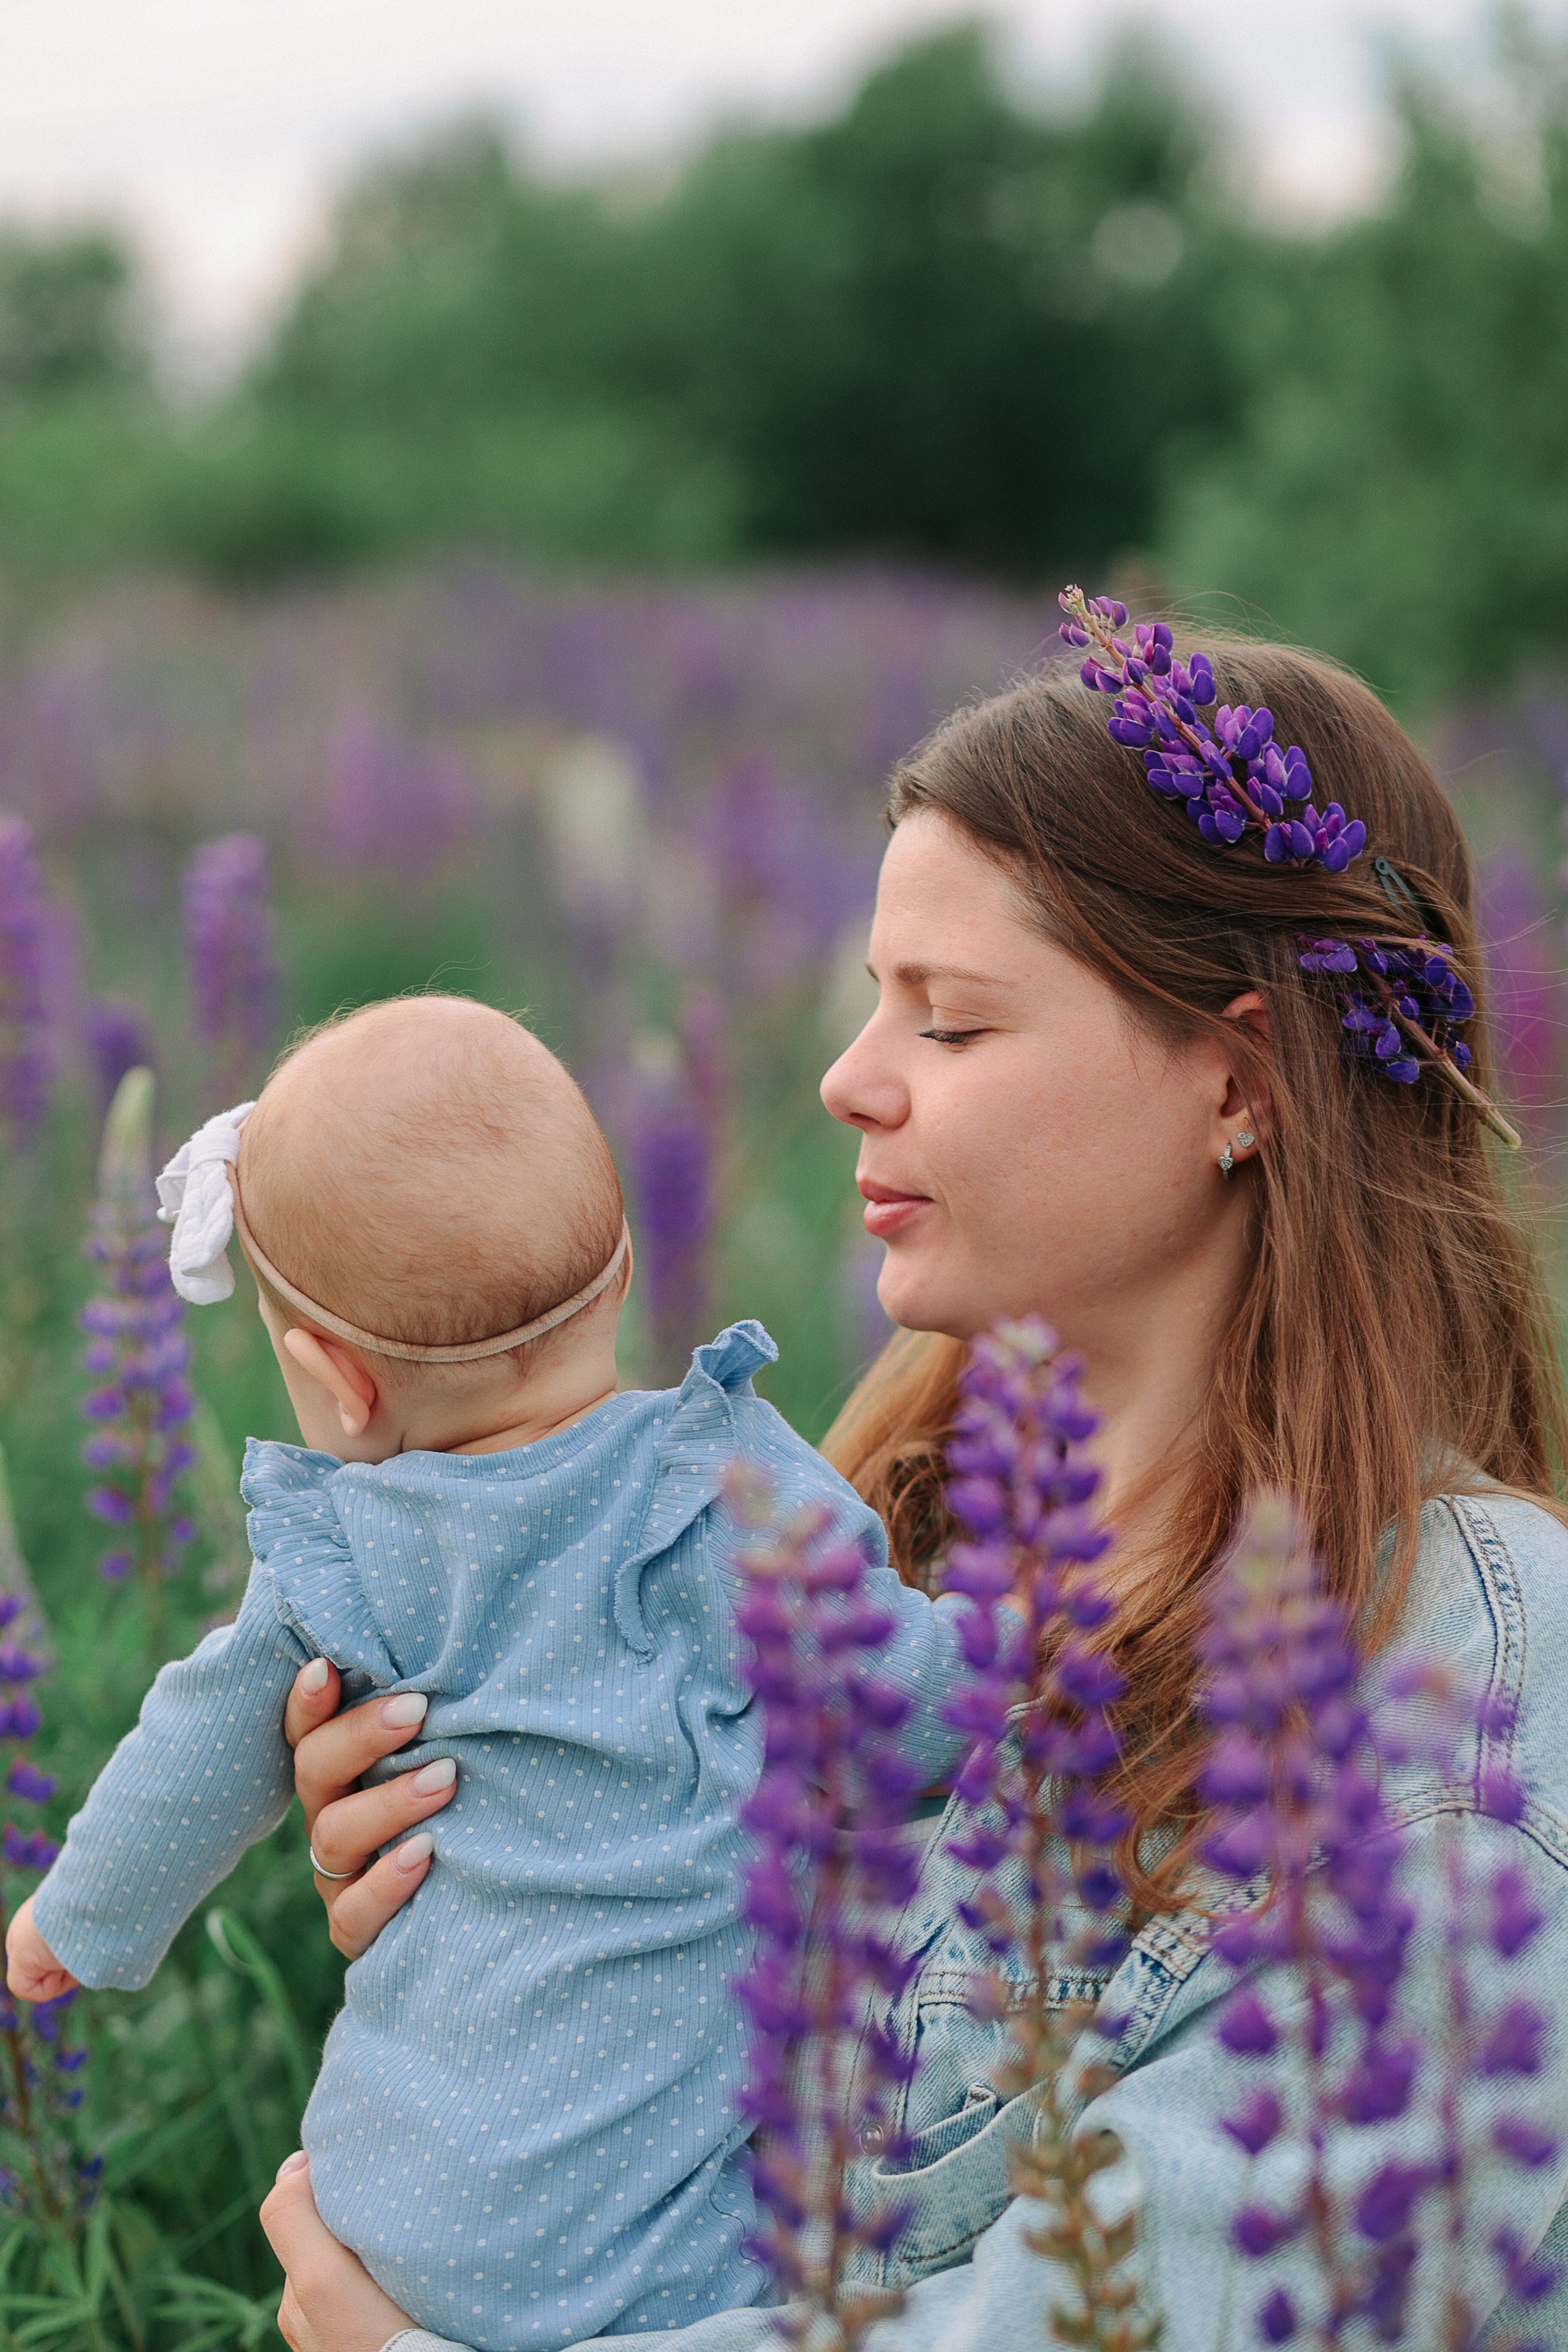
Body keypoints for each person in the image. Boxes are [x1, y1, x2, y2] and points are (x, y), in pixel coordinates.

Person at [269, 627, 1568, 2349]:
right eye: (876, 998)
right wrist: (500, 1877)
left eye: (949, 1023)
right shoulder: (868, 1536)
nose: (848, 1079)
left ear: (1240, 1083)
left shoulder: (1446, 1708)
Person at [4, 996, 973, 2352]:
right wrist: (1037, 1648)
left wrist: (74, 1921)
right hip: (648, 2251)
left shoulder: (339, 1551)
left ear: (331, 1380)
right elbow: (914, 1709)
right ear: (630, 1271)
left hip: (383, 2213)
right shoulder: (716, 1486)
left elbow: (202, 1740)